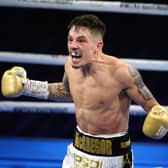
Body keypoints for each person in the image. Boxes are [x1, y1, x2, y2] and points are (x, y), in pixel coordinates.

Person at [1, 14, 168, 168]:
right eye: (70, 39)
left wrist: (161, 123)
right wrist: (27, 87)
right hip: (77, 150)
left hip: (112, 156)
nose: (73, 46)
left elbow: (154, 109)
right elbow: (68, 91)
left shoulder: (123, 73)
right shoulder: (70, 65)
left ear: (98, 46)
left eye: (81, 40)